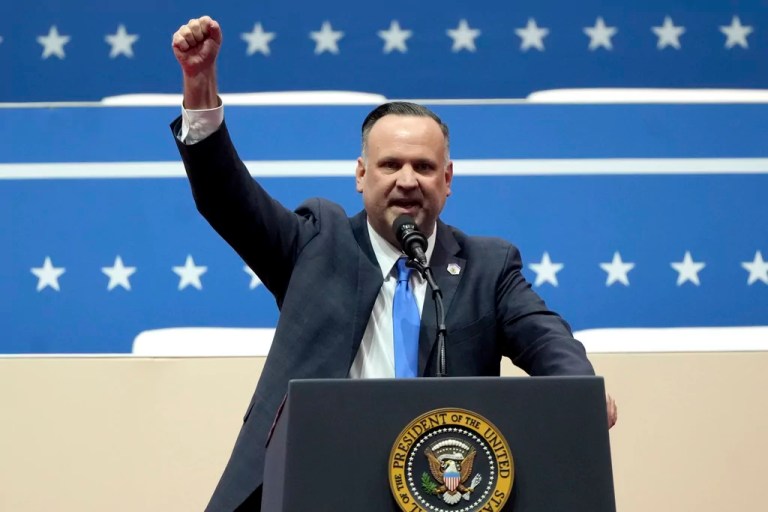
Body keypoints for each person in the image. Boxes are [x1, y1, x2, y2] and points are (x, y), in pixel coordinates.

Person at [171, 15, 617, 512]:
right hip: (312, 484)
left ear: (447, 180)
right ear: (361, 175)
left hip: (437, 492)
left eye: (424, 167)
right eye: (390, 165)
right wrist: (200, 90)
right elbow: (227, 200)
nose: (408, 180)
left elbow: (546, 335)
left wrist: (579, 391)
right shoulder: (318, 240)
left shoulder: (488, 267)